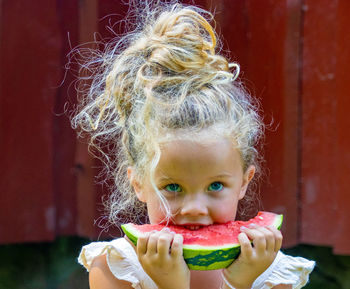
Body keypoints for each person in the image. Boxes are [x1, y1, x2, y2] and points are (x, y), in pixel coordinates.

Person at [74, 2, 315, 288]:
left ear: (244, 182)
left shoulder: (271, 273)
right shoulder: (115, 267)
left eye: (215, 186)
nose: (194, 208)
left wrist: (242, 284)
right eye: (172, 187)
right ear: (138, 183)